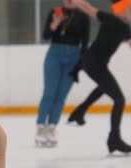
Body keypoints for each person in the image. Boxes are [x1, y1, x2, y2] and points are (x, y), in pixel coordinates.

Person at [69, 0, 131, 153]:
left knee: (104, 88)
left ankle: (79, 112)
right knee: (119, 100)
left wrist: (75, 1)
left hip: (90, 62)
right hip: (95, 64)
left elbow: (87, 8)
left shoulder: (112, 20)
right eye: (130, 9)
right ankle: (114, 139)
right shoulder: (121, 25)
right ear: (121, 10)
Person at [36, 0, 90, 147]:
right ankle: (41, 127)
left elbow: (85, 43)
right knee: (49, 93)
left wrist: (80, 64)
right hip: (54, 55)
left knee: (61, 95)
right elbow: (46, 36)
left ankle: (52, 127)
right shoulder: (55, 12)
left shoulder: (83, 17)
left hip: (73, 58)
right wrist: (55, 23)